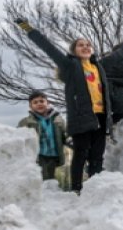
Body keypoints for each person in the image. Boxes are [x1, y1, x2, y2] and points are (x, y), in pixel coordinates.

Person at [14, 18, 112, 193]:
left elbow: (117, 59)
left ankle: (98, 188)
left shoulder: (98, 67)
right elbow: (48, 48)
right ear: (74, 51)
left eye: (88, 45)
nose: (86, 47)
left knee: (98, 155)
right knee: (80, 154)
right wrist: (29, 30)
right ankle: (77, 189)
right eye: (81, 45)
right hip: (82, 117)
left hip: (101, 116)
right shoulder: (70, 66)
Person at [18, 91, 67, 181]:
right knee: (42, 179)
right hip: (39, 156)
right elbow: (17, 139)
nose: (39, 104)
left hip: (54, 155)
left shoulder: (58, 120)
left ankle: (49, 193)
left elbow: (65, 134)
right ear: (30, 106)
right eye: (35, 102)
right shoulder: (26, 122)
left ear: (47, 103)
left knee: (50, 180)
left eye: (41, 101)